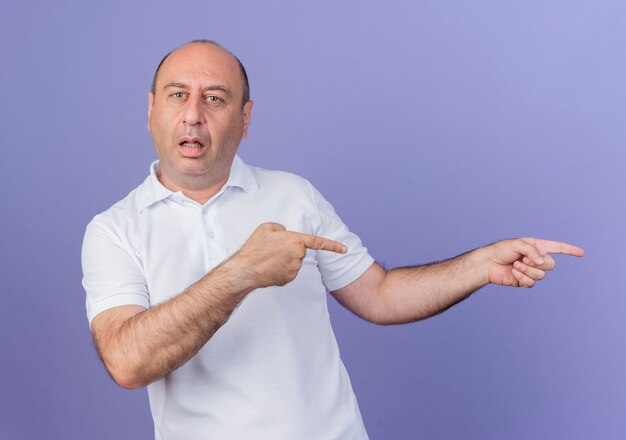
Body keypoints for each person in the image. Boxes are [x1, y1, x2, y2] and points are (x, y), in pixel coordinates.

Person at [81, 40, 584, 440]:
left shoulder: (294, 194)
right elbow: (128, 362)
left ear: (245, 118)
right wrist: (241, 273)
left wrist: (480, 264)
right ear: (151, 110)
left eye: (215, 98)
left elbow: (380, 295)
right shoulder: (114, 230)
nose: (194, 114)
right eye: (177, 95)